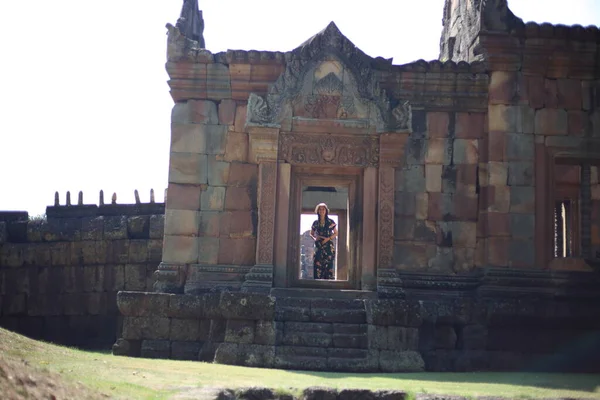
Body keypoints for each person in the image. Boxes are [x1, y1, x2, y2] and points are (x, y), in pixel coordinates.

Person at [310, 203, 338, 280]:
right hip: (319, 245)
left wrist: (328, 238)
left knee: (328, 264)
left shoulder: (330, 222)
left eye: (323, 209)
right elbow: (311, 233)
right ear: (318, 211)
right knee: (317, 263)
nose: (322, 211)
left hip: (328, 245)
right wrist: (315, 238)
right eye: (320, 209)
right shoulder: (315, 223)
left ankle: (329, 284)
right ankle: (317, 283)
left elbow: (336, 233)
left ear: (326, 211)